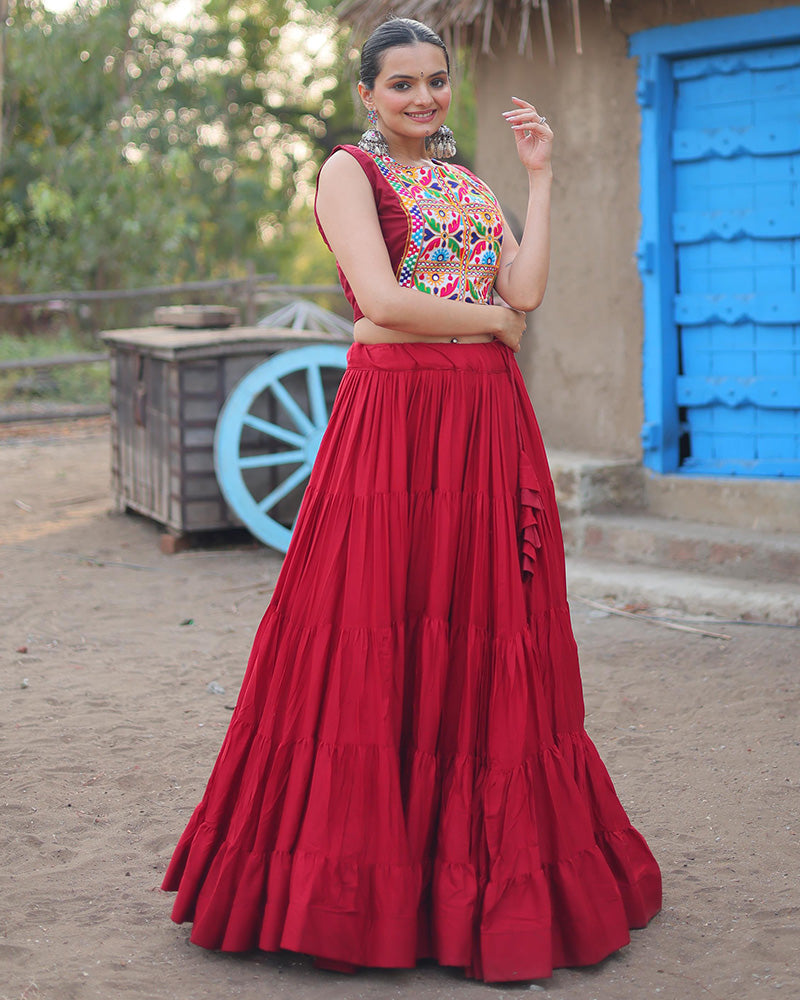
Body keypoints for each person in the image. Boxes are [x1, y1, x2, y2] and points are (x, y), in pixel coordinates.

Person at [161, 17, 662, 983]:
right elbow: (383, 304)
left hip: (482, 420)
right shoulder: (350, 172)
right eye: (403, 86)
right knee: (380, 624)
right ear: (368, 93)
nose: (425, 99)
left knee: (480, 627)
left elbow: (527, 284)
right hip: (396, 424)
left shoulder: (470, 182)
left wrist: (542, 179)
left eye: (436, 81)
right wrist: (488, 324)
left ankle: (469, 881)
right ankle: (356, 897)